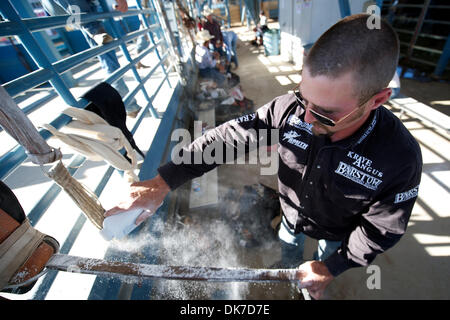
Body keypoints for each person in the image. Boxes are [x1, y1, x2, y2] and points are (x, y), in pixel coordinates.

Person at [105, 14, 423, 299]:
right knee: (288, 247)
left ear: (378, 99)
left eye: (326, 114)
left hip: (337, 234)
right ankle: (287, 264)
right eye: (305, 98)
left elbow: (382, 229)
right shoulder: (288, 109)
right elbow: (229, 137)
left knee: (321, 264)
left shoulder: (399, 158)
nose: (307, 119)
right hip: (290, 213)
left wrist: (335, 265)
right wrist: (164, 180)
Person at [40, 0, 142, 117]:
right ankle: (93, 29)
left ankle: (129, 105)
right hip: (72, 10)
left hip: (84, 10)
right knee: (105, 51)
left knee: (106, 53)